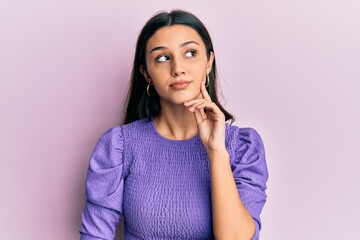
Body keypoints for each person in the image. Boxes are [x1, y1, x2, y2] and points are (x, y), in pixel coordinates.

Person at [80, 9, 268, 240]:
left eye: (190, 53)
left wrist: (216, 151)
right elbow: (95, 236)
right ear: (146, 73)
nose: (177, 68)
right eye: (162, 57)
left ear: (209, 62)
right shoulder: (119, 146)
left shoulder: (242, 147)